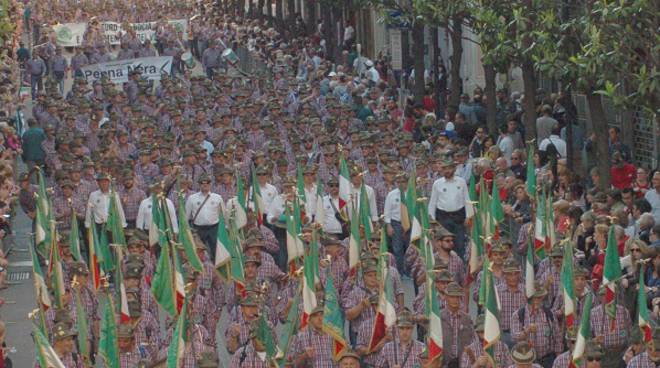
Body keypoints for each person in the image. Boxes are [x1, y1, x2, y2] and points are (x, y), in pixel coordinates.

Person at [428, 158, 473, 259]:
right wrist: (432, 219)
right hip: (443, 217)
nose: (447, 171)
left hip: (459, 217)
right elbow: (432, 203)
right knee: (444, 244)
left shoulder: (461, 182)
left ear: (454, 169)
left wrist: (469, 216)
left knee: (460, 243)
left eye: (449, 168)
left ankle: (460, 266)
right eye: (444, 169)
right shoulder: (437, 183)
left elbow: (467, 199)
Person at [185, 174, 224, 259]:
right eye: (202, 183)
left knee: (216, 251)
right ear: (199, 185)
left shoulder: (217, 198)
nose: (205, 185)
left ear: (210, 184)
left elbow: (222, 214)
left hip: (214, 228)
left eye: (207, 183)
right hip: (198, 229)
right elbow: (186, 216)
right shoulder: (192, 198)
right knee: (198, 251)